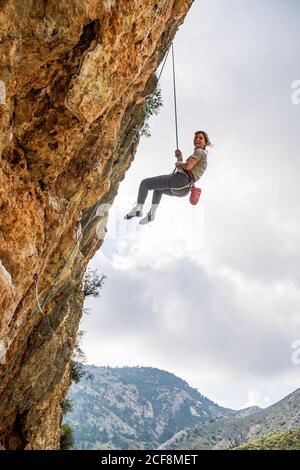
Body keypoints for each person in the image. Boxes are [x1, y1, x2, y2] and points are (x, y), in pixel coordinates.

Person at [124, 130, 211, 224]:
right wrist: (180, 157)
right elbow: (186, 169)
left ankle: (138, 208)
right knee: (158, 190)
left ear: (205, 142)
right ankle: (151, 215)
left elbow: (188, 166)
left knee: (145, 183)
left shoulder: (200, 152)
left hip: (180, 181)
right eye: (195, 137)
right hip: (184, 190)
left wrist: (180, 163)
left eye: (200, 138)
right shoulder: (201, 156)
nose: (197, 139)